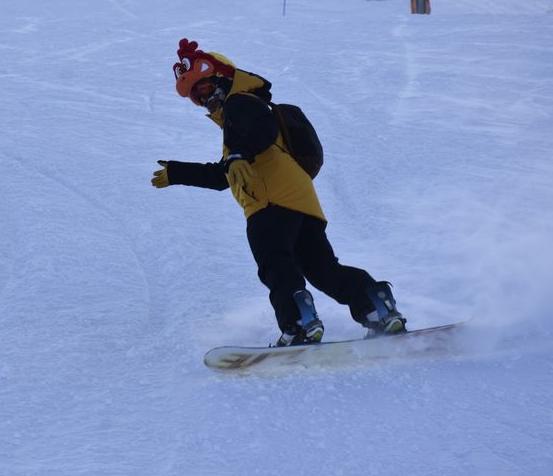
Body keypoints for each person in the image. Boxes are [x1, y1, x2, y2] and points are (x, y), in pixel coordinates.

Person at [151, 38, 407, 346]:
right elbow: (226, 175)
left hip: (269, 202)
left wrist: (237, 154)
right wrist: (180, 172)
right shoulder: (239, 121)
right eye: (195, 96)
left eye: (204, 88)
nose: (203, 99)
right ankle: (378, 308)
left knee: (276, 265)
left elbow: (263, 130)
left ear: (223, 78)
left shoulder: (240, 103)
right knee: (323, 269)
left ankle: (299, 324)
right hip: (301, 200)